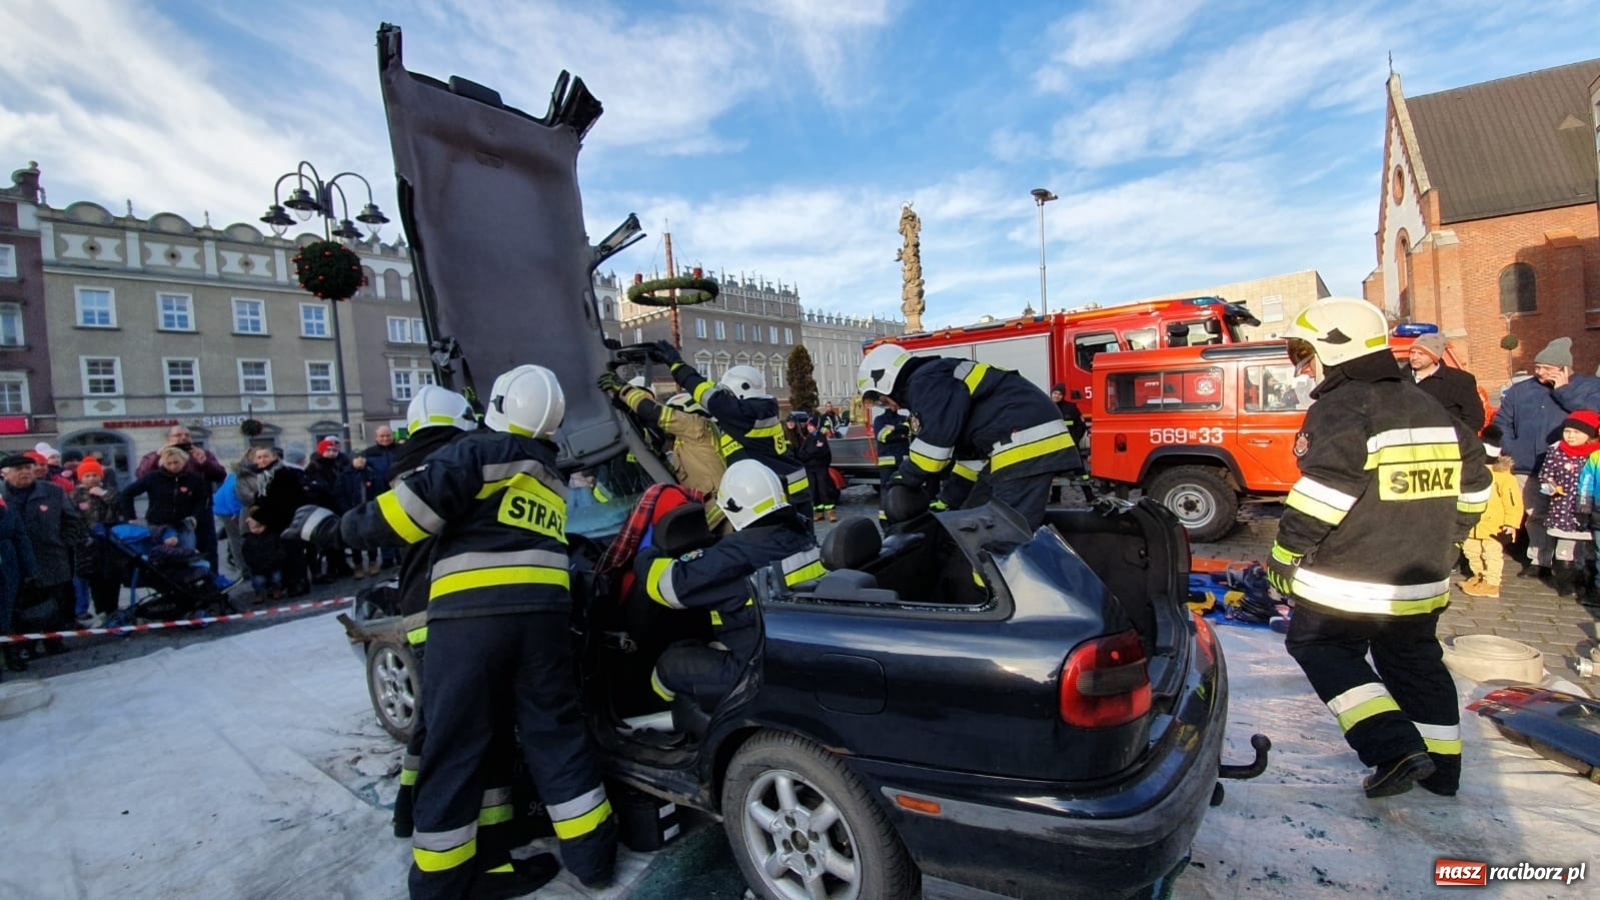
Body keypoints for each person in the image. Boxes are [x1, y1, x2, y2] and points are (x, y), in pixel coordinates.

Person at [330, 365, 615, 897]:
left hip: (470, 624)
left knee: (457, 746)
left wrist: (328, 528)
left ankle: (441, 884)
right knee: (556, 736)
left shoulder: (478, 452)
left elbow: (403, 518)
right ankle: (594, 860)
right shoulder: (549, 474)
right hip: (545, 624)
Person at [1268, 297, 1490, 800]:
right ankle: (1442, 772)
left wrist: (1284, 553)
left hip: (1351, 580)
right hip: (1423, 575)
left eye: (1305, 353)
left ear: (1331, 347)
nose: (1304, 367)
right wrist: (1448, 535)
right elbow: (1477, 484)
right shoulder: (1428, 404)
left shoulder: (1342, 406)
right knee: (1415, 662)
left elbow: (1325, 492)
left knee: (1319, 645)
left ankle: (1392, 748)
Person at [634, 460, 824, 720]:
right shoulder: (800, 534)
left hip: (754, 671)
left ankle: (661, 727)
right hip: (789, 655)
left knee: (670, 664)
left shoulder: (734, 555)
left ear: (732, 509)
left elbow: (667, 587)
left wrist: (646, 552)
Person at [857, 343, 1083, 530]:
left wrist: (902, 479)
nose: (885, 404)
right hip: (1018, 437)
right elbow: (970, 460)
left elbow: (932, 451)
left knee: (1001, 534)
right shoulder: (935, 377)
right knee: (972, 518)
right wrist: (947, 501)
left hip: (1022, 440)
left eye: (881, 398)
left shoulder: (924, 381)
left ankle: (992, 584)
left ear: (885, 379)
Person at [653, 340, 813, 522]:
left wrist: (676, 364)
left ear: (742, 390)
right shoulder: (758, 410)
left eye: (728, 393)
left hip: (781, 492)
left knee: (786, 542)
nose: (726, 398)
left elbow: (707, 394)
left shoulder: (745, 415)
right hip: (790, 486)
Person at [1491, 337, 1600, 579]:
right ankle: (1539, 559)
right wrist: (1513, 448)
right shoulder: (1522, 390)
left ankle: (1575, 564)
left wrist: (1564, 391)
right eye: (1537, 367)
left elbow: (1594, 412)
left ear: (1564, 368)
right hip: (1528, 465)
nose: (1539, 373)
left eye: (1547, 369)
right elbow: (1502, 423)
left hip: (1575, 468)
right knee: (1535, 514)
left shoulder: (1588, 386)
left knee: (1574, 517)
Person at [1, 452, 83, 657]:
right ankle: (24, 646)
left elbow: (72, 520)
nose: (25, 473)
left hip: (51, 556)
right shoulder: (2, 496)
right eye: (19, 470)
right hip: (14, 560)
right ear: (5, 474)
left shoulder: (53, 491)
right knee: (20, 604)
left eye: (28, 468)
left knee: (56, 602)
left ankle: (54, 642)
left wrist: (65, 542)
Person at [597, 372, 726, 499]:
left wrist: (624, 390)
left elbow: (654, 413)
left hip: (717, 510)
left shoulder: (694, 425)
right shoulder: (688, 446)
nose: (665, 428)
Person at [136, 425, 227, 569]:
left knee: (207, 547)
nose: (183, 438)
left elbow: (220, 475)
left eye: (187, 435)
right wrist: (157, 455)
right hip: (169, 515)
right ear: (168, 439)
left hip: (200, 510)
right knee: (177, 551)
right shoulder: (158, 455)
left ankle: (212, 584)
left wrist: (205, 463)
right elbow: (142, 475)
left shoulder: (201, 454)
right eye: (178, 435)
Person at [1532, 411, 1600, 599]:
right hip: (1563, 507)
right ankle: (1566, 583)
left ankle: (1588, 582)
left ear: (1589, 435)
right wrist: (1551, 487)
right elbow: (1545, 475)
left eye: (1577, 433)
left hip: (1588, 508)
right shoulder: (1556, 450)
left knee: (1589, 547)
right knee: (1565, 545)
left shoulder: (1595, 454)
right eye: (1568, 431)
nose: (1570, 436)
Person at [1459, 426, 1523, 599]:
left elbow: (1513, 503)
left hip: (1495, 525)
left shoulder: (1503, 477)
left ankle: (1492, 582)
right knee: (1471, 551)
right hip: (1472, 523)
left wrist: (1511, 523)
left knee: (1492, 554)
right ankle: (1479, 576)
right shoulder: (1469, 472)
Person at [245, 446, 311, 597]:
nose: (262, 460)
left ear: (274, 457)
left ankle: (298, 583)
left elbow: (278, 500)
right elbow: (262, 499)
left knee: (294, 553)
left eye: (266, 456)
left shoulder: (282, 474)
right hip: (274, 520)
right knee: (282, 554)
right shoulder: (263, 475)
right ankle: (286, 584)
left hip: (287, 519)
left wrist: (259, 515)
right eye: (259, 457)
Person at [119, 447, 207, 552]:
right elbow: (127, 493)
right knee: (162, 556)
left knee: (188, 554)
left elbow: (201, 500)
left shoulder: (194, 479)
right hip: (158, 525)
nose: (173, 466)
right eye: (168, 463)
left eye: (176, 462)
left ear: (184, 461)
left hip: (184, 525)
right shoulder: (153, 477)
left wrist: (194, 516)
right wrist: (130, 517)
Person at [71, 458, 124, 627]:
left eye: (95, 475)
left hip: (109, 541)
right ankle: (100, 610)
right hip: (87, 546)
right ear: (81, 478)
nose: (91, 478)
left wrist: (103, 494)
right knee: (94, 578)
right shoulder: (75, 495)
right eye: (87, 475)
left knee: (111, 576)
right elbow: (73, 518)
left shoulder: (109, 491)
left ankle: (112, 608)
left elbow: (119, 506)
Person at [0, 467, 39, 677]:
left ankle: (12, 656)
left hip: (8, 565)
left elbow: (20, 537)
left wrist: (30, 569)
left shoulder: (6, 508)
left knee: (7, 613)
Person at [1407, 332, 1485, 434]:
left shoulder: (1459, 380)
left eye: (1421, 354)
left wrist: (1455, 440)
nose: (1414, 357)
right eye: (1412, 353)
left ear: (1434, 356)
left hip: (1448, 444)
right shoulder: (1399, 379)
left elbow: (1474, 418)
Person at [302, 438, 355, 583]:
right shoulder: (315, 466)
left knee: (339, 537)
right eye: (328, 450)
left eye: (334, 450)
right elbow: (313, 486)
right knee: (327, 539)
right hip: (324, 505)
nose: (331, 453)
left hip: (338, 504)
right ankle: (331, 568)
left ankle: (340, 564)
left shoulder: (339, 464)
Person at [1049, 383, 1094, 505]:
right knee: (1055, 473)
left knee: (1080, 472)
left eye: (1059, 394)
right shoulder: (1047, 408)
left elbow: (1081, 426)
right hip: (1055, 447)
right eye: (1055, 393)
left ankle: (1090, 497)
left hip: (1071, 446)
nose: (1056, 396)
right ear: (1051, 394)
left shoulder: (1071, 408)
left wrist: (1074, 440)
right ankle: (1055, 499)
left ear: (1063, 396)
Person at [871, 400, 911, 523]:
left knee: (904, 490)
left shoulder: (903, 418)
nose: (895, 406)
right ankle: (884, 520)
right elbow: (882, 437)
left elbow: (909, 430)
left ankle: (903, 516)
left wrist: (894, 429)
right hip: (887, 463)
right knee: (886, 491)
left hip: (902, 461)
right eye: (892, 404)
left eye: (896, 403)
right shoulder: (879, 420)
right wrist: (900, 434)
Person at [797, 416, 837, 522]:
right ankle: (819, 512)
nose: (809, 428)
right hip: (810, 469)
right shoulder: (807, 438)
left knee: (824, 490)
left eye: (811, 426)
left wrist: (811, 452)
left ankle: (831, 512)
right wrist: (812, 451)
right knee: (814, 491)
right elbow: (801, 454)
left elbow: (823, 452)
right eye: (808, 426)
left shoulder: (821, 437)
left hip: (820, 468)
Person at [240, 516, 285, 603]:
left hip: (274, 564)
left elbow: (280, 549)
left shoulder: (273, 535)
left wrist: (277, 559)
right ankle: (259, 594)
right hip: (257, 567)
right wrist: (252, 563)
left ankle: (276, 590)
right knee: (258, 582)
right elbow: (246, 554)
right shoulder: (248, 540)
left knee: (276, 579)